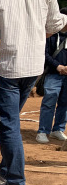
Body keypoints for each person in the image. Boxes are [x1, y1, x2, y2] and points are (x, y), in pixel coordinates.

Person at [0, 0, 67, 185]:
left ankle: (15, 181)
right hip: (33, 65)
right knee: (12, 119)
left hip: (5, 67)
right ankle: (6, 169)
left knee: (8, 123)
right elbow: (55, 24)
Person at [36, 10, 67, 144]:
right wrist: (58, 66)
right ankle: (43, 131)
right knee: (49, 102)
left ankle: (58, 129)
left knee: (64, 104)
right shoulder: (50, 35)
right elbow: (44, 54)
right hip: (53, 74)